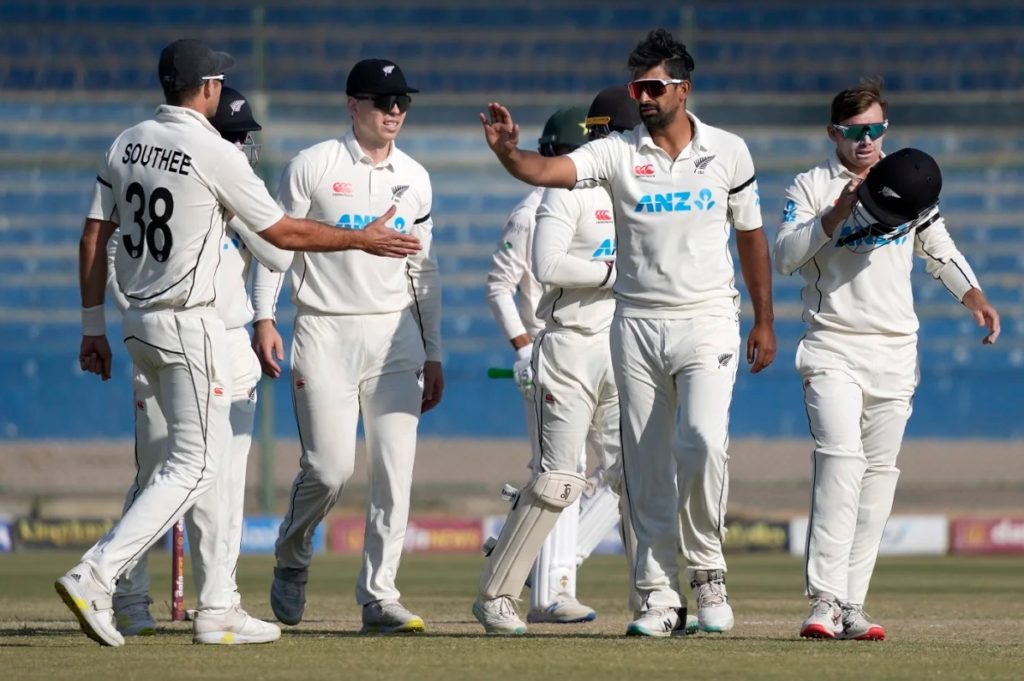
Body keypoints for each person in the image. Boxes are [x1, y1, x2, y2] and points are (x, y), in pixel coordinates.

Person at [63, 39, 420, 648]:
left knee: (205, 467)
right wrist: (360, 241)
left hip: (137, 322)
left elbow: (95, 233)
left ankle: (219, 606)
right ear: (206, 89)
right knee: (196, 466)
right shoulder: (211, 150)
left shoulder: (127, 141)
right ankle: (98, 574)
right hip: (189, 322)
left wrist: (92, 324)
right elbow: (280, 233)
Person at [479, 28, 777, 637]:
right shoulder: (617, 152)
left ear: (683, 90)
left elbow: (750, 237)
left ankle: (708, 572)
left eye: (652, 86)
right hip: (634, 324)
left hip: (707, 318)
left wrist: (765, 318)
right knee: (640, 469)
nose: (640, 96)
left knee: (698, 443)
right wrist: (510, 154)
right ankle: (658, 598)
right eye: (635, 86)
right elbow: (548, 170)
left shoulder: (729, 151)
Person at [774, 81, 1000, 641]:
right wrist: (835, 215)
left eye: (877, 129)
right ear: (834, 134)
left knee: (878, 478)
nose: (867, 140)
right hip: (833, 345)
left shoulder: (904, 181)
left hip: (897, 351)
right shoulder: (809, 185)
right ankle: (824, 600)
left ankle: (852, 603)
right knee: (839, 460)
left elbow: (938, 244)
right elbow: (783, 256)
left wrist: (973, 295)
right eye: (855, 132)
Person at [251, 58, 442, 635]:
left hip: (394, 336)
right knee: (329, 470)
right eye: (383, 102)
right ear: (352, 105)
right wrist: (264, 316)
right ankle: (293, 552)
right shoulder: (314, 165)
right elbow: (276, 244)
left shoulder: (416, 176)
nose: (395, 112)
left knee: (393, 472)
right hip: (324, 331)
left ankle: (379, 596)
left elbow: (423, 271)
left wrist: (433, 350)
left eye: (402, 102)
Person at [107, 86, 292, 640]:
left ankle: (219, 602)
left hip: (228, 342)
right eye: (232, 137)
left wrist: (233, 214)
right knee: (160, 469)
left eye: (244, 140)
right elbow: (119, 252)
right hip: (170, 337)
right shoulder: (175, 180)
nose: (239, 147)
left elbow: (279, 253)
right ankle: (126, 592)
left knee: (223, 479)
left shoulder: (232, 187)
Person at [483, 106, 599, 626]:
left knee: (612, 473)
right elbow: (499, 286)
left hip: (593, 349)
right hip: (548, 350)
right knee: (559, 473)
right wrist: (523, 344)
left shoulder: (594, 198)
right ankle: (548, 591)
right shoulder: (532, 211)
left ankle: (542, 565)